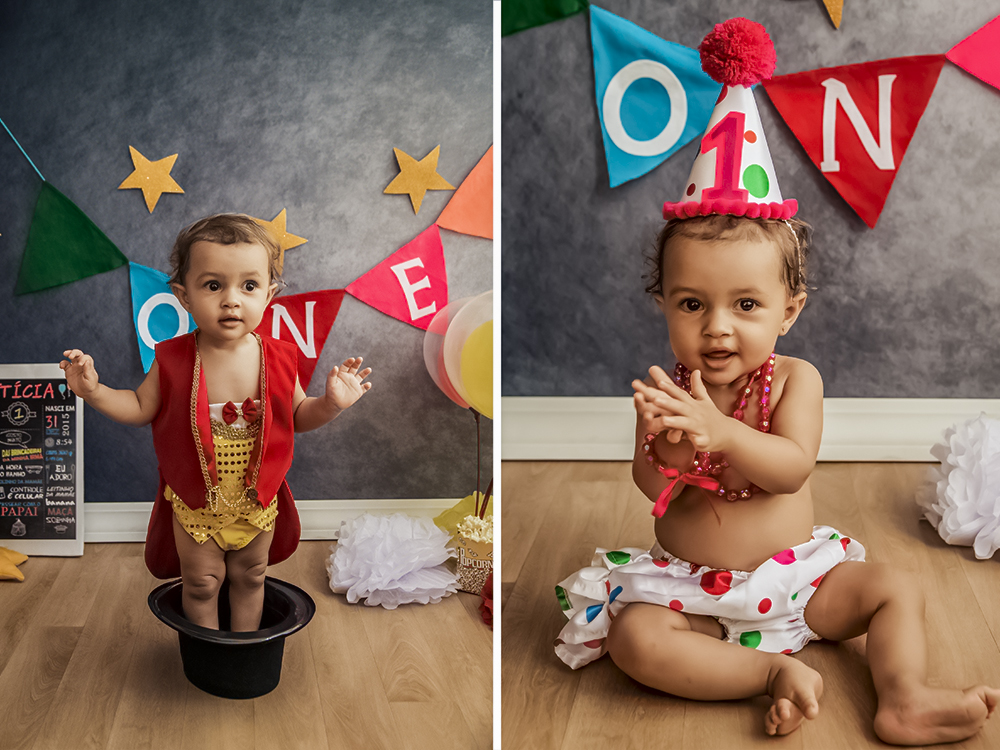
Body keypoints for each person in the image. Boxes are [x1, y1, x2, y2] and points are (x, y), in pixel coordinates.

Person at [554, 213, 999, 743]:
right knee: (634, 639)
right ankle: (770, 673)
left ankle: (905, 696)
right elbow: (655, 489)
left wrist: (722, 433)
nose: (718, 325)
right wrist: (668, 446)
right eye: (692, 304)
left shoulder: (794, 379)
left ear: (788, 312)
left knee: (896, 588)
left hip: (801, 586)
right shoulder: (667, 394)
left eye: (745, 305)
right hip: (696, 595)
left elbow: (791, 469)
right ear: (664, 305)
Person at [60, 214, 372, 632]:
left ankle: (243, 649)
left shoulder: (279, 357)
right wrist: (94, 391)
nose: (231, 300)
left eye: (248, 286)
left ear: (269, 294)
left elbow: (298, 417)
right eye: (213, 285)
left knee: (250, 576)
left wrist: (331, 404)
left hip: (256, 499)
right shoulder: (171, 358)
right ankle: (207, 647)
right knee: (203, 582)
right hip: (196, 503)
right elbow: (138, 407)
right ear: (183, 296)